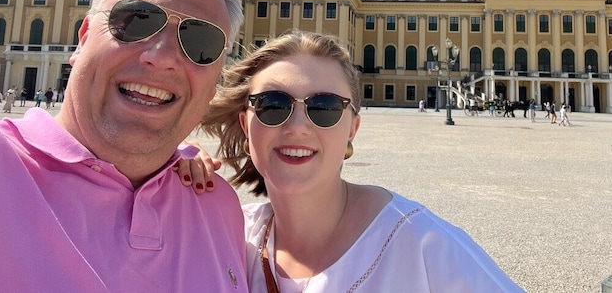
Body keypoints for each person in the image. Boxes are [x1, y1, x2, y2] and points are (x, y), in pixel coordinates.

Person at [0, 0, 248, 291]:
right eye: (137, 20)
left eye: (201, 43)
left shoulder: (219, 205)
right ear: (84, 37)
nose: (162, 56)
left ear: (217, 77)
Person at [180, 31, 523, 292]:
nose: (297, 127)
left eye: (325, 108)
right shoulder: (232, 237)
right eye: (272, 104)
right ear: (245, 123)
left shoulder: (420, 244)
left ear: (352, 129)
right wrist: (168, 174)